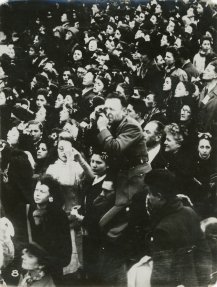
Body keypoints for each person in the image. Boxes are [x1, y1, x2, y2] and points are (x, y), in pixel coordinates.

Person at [146, 169, 212, 287]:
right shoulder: (190, 212)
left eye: (150, 193)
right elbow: (204, 253)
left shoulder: (162, 229)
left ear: (160, 197)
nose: (148, 197)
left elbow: (161, 276)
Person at [27, 174, 72, 283]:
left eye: (42, 191)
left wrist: (44, 262)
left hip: (52, 270)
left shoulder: (59, 216)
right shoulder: (30, 210)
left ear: (51, 196)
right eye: (36, 190)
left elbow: (65, 254)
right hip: (31, 267)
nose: (37, 194)